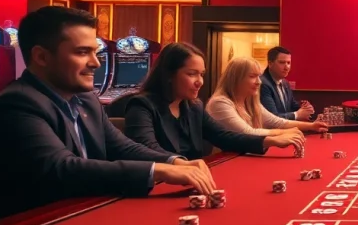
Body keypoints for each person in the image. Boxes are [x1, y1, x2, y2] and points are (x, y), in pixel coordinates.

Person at [0, 7, 217, 223]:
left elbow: (122, 147)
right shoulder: (16, 105)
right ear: (41, 57)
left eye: (95, 52)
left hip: (81, 212)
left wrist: (174, 161)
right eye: (82, 52)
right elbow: (62, 169)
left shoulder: (86, 100)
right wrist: (158, 171)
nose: (96, 62)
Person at [125, 42, 306, 159]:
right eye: (191, 74)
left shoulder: (194, 107)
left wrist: (268, 141)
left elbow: (224, 137)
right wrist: (182, 166)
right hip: (158, 185)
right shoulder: (142, 106)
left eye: (201, 74)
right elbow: (147, 150)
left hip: (192, 180)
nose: (200, 82)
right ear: (169, 75)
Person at [206, 57, 328, 136]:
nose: (259, 82)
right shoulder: (219, 103)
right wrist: (286, 133)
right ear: (236, 79)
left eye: (259, 76)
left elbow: (276, 122)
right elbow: (247, 133)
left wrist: (311, 126)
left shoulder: (250, 101)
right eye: (252, 76)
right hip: (226, 160)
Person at [261, 46, 314, 121]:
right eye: (282, 62)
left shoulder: (285, 83)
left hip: (286, 129)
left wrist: (304, 107)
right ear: (270, 63)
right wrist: (297, 114)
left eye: (288, 63)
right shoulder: (262, 84)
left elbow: (292, 105)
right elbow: (273, 118)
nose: (287, 67)